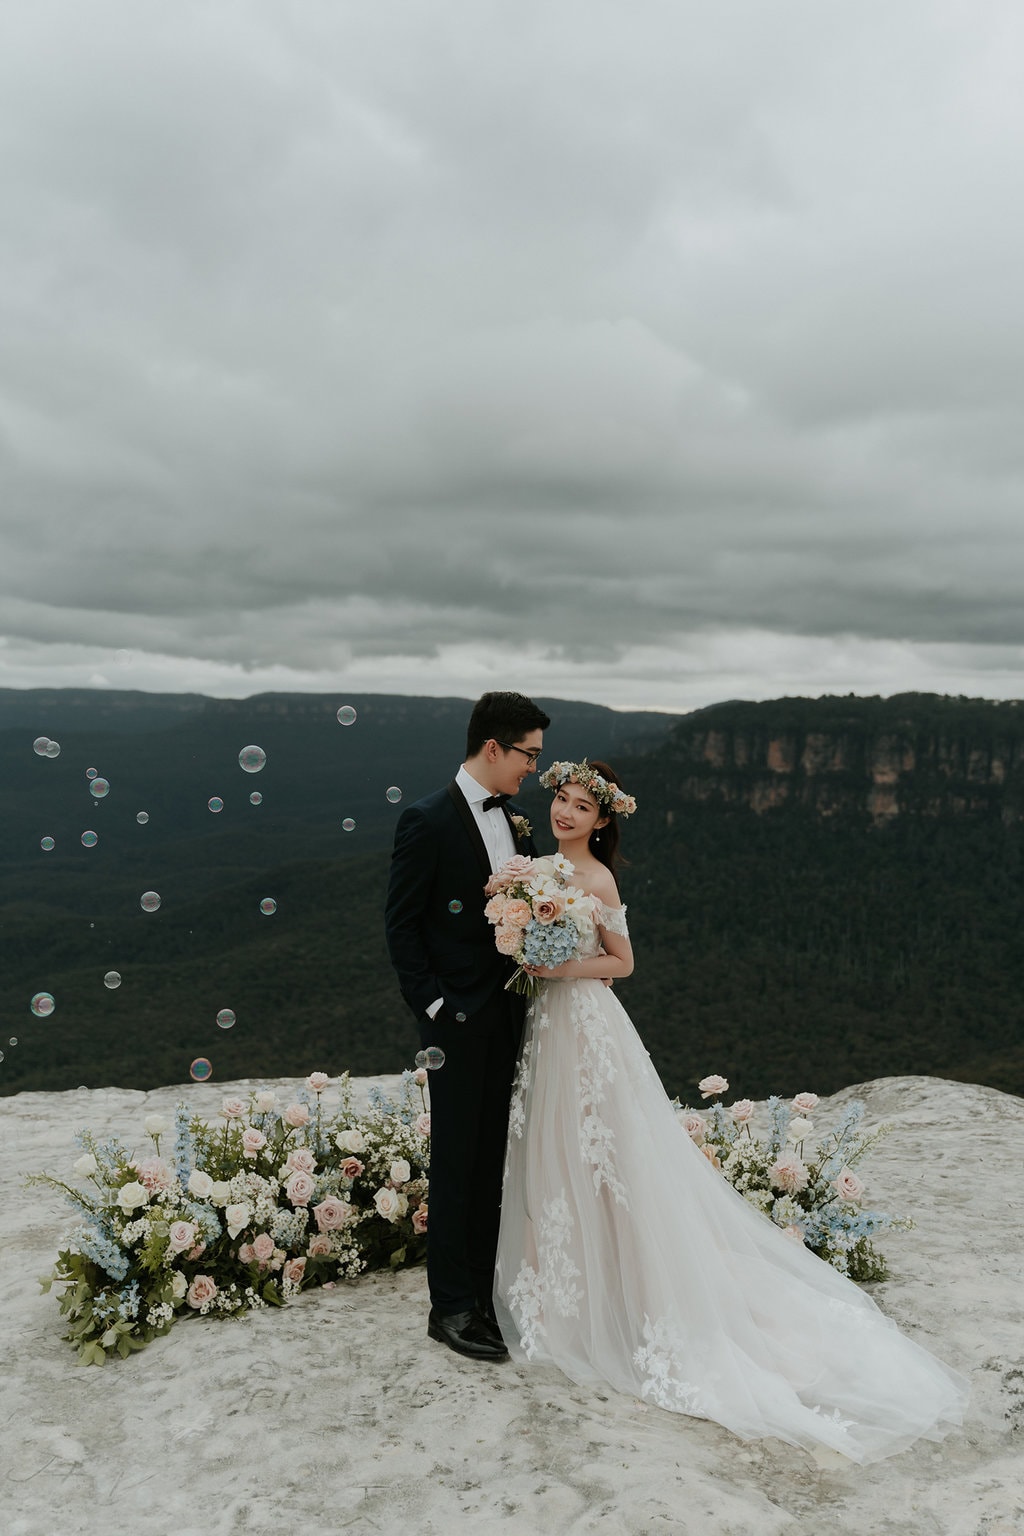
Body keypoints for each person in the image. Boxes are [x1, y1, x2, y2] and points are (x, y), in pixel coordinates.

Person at [493, 758, 970, 1462]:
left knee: (611, 1154)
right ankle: (573, 1285)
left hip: (588, 1025)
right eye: (560, 800)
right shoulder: (530, 869)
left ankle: (635, 1291)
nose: (565, 813)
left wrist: (559, 967)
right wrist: (516, 929)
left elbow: (622, 963)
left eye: (581, 808)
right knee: (555, 1151)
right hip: (546, 1030)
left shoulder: (597, 879)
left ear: (602, 822)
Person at [385, 690, 550, 1361]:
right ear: (493, 748)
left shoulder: (517, 822)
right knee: (456, 1160)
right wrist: (434, 1010)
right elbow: (402, 926)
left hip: (510, 1013)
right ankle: (448, 1308)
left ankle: (483, 1295)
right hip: (454, 1023)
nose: (533, 771)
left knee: (492, 1158)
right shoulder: (425, 820)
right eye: (528, 756)